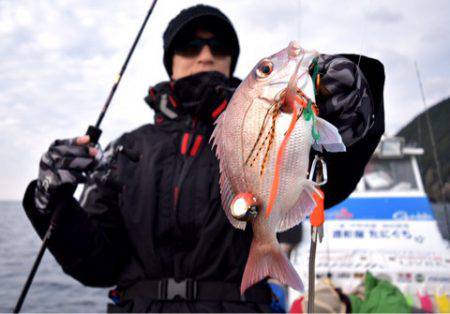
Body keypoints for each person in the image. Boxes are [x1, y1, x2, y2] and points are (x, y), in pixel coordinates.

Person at [22, 4, 385, 313]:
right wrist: (49, 200)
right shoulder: (126, 149)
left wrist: (353, 107)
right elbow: (98, 266)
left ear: (231, 61)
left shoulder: (268, 123)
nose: (206, 54)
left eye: (219, 46)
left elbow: (327, 175)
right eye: (190, 45)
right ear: (171, 61)